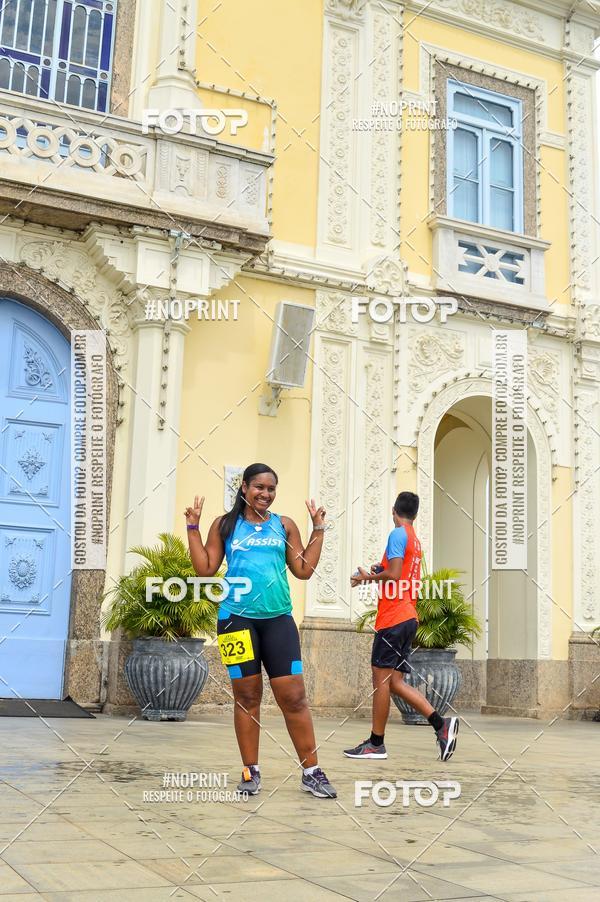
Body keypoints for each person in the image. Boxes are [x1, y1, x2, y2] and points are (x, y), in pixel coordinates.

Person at [184, 462, 337, 799]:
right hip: (235, 621)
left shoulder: (284, 525)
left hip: (278, 621)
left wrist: (319, 530)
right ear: (244, 488)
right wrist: (192, 527)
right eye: (259, 488)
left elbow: (303, 570)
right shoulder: (225, 525)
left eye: (271, 489)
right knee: (247, 697)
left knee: (294, 697)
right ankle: (249, 771)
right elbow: (205, 568)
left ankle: (312, 772)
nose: (265, 494)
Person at [343, 491, 459, 762]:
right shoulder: (414, 540)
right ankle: (441, 726)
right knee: (394, 682)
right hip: (407, 615)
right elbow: (399, 571)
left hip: (394, 618)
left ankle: (376, 744)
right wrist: (378, 570)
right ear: (415, 515)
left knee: (381, 679)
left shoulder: (397, 534)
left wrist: (367, 577)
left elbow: (394, 574)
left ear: (393, 509)